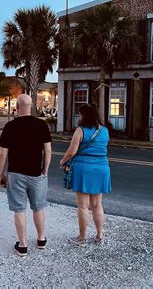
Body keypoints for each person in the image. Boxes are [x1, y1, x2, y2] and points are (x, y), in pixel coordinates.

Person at [0, 94, 52, 257]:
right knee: (38, 207)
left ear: (17, 107)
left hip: (16, 174)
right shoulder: (42, 125)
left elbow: (2, 153)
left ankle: (22, 245)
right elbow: (48, 150)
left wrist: (0, 174)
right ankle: (41, 239)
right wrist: (45, 169)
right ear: (31, 106)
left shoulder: (10, 126)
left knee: (19, 209)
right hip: (37, 174)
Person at [59, 104, 111, 245]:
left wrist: (63, 161)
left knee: (83, 206)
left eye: (81, 114)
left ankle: (82, 238)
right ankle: (99, 235)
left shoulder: (80, 131)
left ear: (84, 116)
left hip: (84, 169)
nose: (79, 117)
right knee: (97, 204)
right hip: (102, 168)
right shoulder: (105, 130)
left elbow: (72, 151)